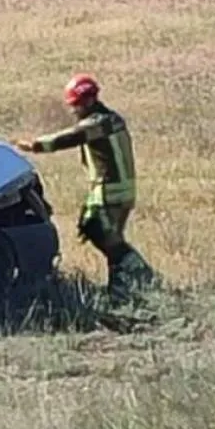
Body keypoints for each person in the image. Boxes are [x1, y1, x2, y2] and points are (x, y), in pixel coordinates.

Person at [15, 73, 156, 302]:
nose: (73, 111)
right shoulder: (111, 119)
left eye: (75, 106)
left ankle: (143, 276)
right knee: (104, 235)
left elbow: (70, 137)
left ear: (87, 102)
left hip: (110, 191)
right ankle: (120, 289)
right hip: (120, 191)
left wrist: (34, 145)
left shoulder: (98, 123)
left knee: (103, 235)